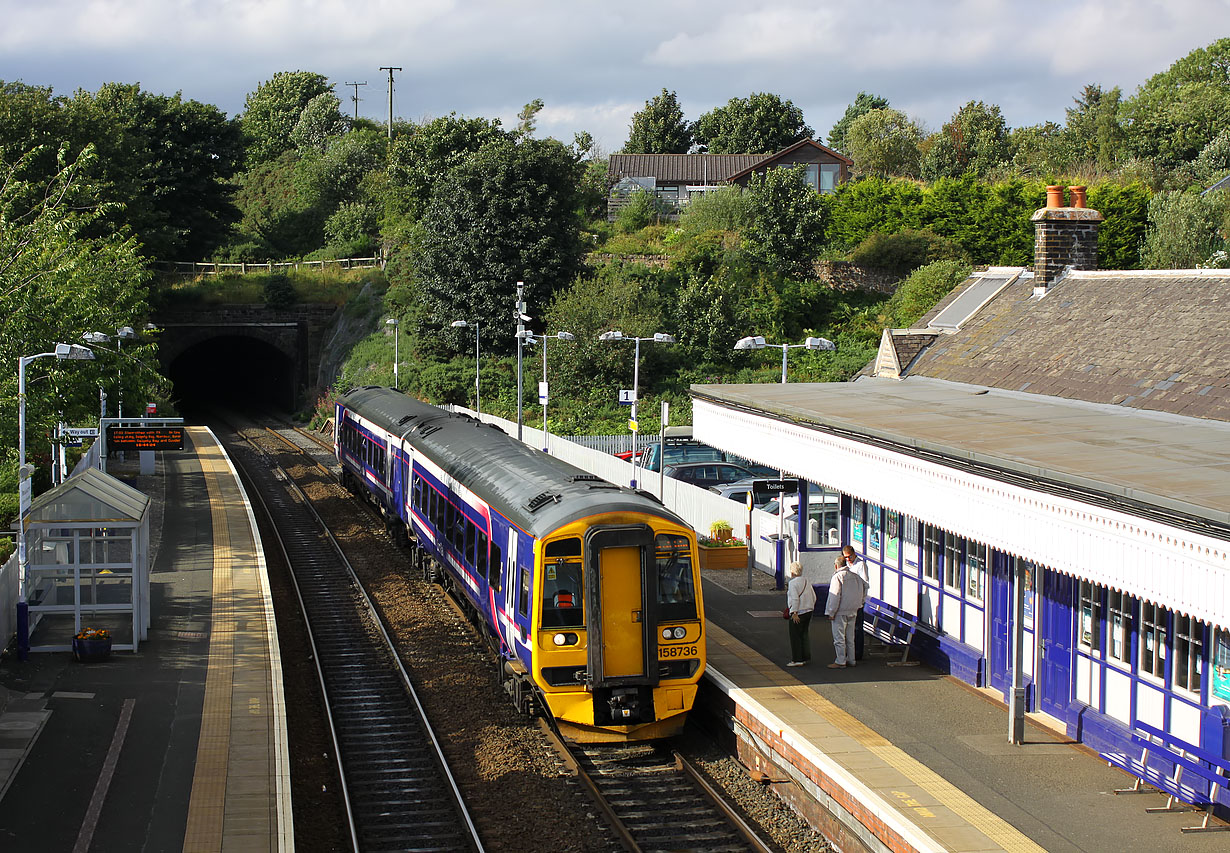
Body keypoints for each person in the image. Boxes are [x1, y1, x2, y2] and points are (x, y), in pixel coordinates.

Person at [826, 553, 867, 668]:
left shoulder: (837, 577)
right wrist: (859, 604)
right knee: (850, 637)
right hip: (853, 610)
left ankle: (840, 661)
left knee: (839, 638)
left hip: (840, 611)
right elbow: (863, 590)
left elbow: (835, 596)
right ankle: (852, 659)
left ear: (836, 566)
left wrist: (831, 612)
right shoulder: (856, 576)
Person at [785, 561, 817, 667]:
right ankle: (805, 656)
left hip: (798, 612)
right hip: (809, 610)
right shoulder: (806, 581)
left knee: (795, 636)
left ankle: (797, 659)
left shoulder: (792, 583)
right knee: (804, 634)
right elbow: (814, 596)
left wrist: (794, 612)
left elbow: (795, 598)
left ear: (792, 572)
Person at [842, 545, 869, 661]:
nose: (848, 559)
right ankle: (849, 652)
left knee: (857, 628)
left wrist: (861, 600)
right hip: (848, 601)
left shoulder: (860, 565)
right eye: (846, 558)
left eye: (850, 557)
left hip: (857, 602)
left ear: (854, 554)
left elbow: (865, 583)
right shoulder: (846, 565)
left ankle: (858, 653)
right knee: (848, 628)